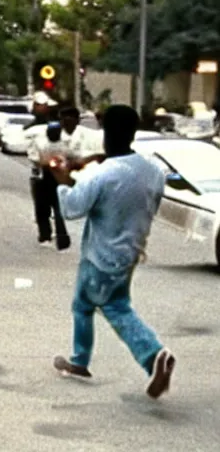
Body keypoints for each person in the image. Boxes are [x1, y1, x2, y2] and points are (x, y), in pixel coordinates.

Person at [49, 104, 175, 399]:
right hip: (131, 251)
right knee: (87, 303)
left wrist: (61, 181)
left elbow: (72, 208)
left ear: (105, 133)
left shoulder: (104, 174)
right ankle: (80, 361)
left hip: (101, 256)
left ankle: (153, 354)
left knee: (113, 308)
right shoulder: (153, 171)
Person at [30, 121, 73, 249]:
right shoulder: (48, 145)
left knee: (47, 209)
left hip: (49, 179)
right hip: (49, 179)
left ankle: (50, 235)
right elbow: (34, 158)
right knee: (52, 209)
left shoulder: (54, 146)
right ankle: (55, 236)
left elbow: (35, 158)